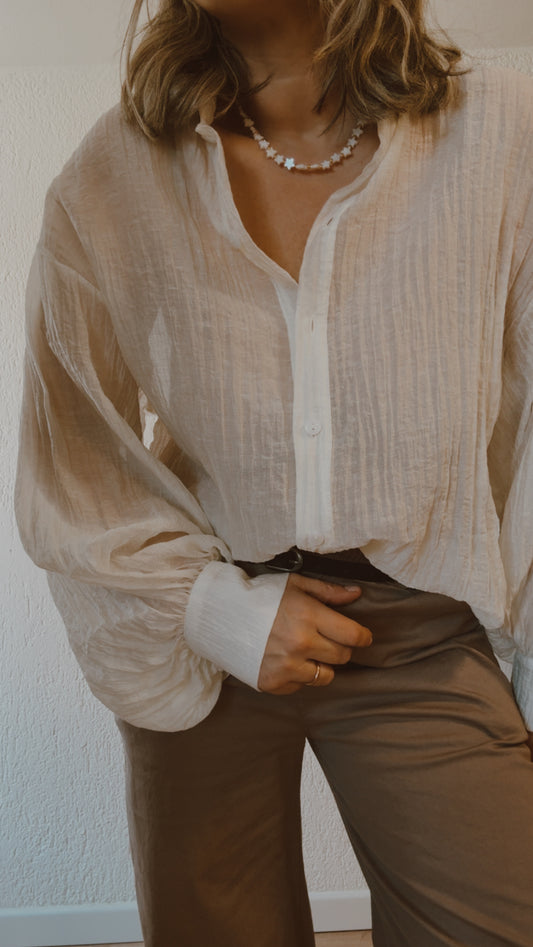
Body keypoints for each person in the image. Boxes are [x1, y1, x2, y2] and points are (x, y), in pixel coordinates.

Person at [14, 0, 533, 944]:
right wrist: (211, 607)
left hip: (421, 631)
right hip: (207, 636)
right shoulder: (117, 170)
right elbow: (73, 452)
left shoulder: (498, 133)